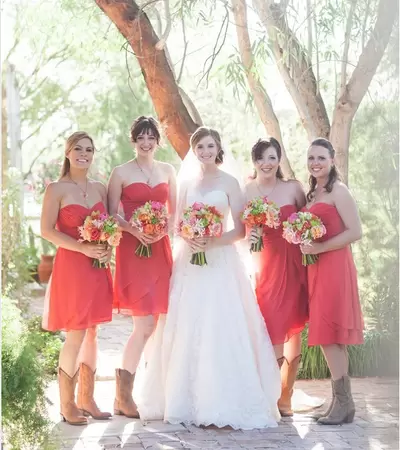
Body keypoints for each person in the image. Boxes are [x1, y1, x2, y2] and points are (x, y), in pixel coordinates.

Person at [135, 126, 281, 430]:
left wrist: (212, 241)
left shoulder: (230, 182)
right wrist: (190, 237)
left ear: (218, 149)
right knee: (187, 324)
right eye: (200, 147)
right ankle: (182, 398)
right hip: (190, 261)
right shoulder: (186, 182)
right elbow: (177, 224)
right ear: (194, 150)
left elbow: (240, 229)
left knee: (220, 323)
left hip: (221, 261)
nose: (205, 152)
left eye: (210, 146)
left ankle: (224, 398)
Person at [41, 131, 113, 425]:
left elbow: (107, 227)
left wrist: (106, 249)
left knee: (93, 332)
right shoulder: (56, 189)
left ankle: (87, 398)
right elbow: (47, 230)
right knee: (75, 333)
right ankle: (67, 403)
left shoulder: (99, 188)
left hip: (96, 268)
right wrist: (82, 247)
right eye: (78, 149)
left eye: (89, 149)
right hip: (71, 267)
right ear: (68, 153)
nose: (84, 154)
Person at [107, 116, 176, 418]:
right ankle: (124, 395)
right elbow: (111, 215)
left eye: (151, 137)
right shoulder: (120, 173)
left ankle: (144, 391)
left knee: (158, 323)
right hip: (132, 249)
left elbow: (174, 213)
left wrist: (161, 232)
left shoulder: (168, 170)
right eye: (140, 138)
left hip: (159, 248)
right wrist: (136, 231)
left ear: (158, 140)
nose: (146, 143)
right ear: (132, 140)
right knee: (144, 325)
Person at [301, 137, 364, 425]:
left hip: (335, 267)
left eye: (321, 158)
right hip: (316, 267)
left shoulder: (339, 191)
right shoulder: (312, 193)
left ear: (332, 160)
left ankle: (344, 403)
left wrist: (320, 248)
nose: (315, 163)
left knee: (331, 335)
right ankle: (340, 402)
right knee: (327, 334)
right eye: (311, 158)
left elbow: (355, 231)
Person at [245, 138, 309, 416]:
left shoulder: (293, 188)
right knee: (273, 325)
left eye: (271, 157)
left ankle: (286, 396)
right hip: (266, 266)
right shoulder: (247, 190)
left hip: (294, 262)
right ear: (254, 161)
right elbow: (245, 236)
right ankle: (268, 395)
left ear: (279, 159)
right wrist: (254, 234)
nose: (266, 163)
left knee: (294, 326)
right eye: (261, 158)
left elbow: (309, 221)